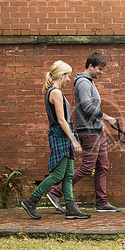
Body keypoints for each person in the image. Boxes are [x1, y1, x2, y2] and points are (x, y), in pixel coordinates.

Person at [47, 53, 122, 212]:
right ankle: (55, 193)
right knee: (87, 167)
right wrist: (107, 117)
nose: (101, 72)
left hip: (97, 130)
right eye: (100, 69)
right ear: (90, 66)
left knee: (103, 165)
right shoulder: (83, 83)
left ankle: (102, 202)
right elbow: (87, 108)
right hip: (89, 132)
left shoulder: (90, 82)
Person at [21, 60, 90, 220]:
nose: (69, 80)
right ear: (61, 75)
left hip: (62, 134)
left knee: (68, 174)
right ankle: (31, 200)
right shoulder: (56, 93)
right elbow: (61, 120)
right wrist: (73, 140)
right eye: (68, 76)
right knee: (59, 174)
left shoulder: (53, 92)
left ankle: (71, 208)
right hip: (61, 135)